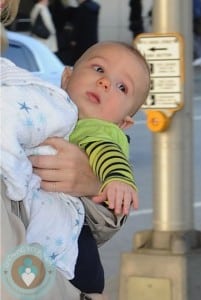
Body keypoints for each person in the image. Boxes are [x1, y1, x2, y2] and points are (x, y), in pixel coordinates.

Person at [1, 41, 150, 294]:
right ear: (67, 77)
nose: (105, 83)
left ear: (123, 123)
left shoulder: (98, 129)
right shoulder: (44, 104)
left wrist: (114, 179)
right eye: (99, 69)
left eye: (122, 87)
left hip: (78, 257)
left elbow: (109, 152)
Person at [68, 0, 100, 64]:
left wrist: (73, 39)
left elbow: (78, 25)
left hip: (81, 39)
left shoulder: (82, 8)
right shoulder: (95, 7)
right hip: (92, 38)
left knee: (78, 59)